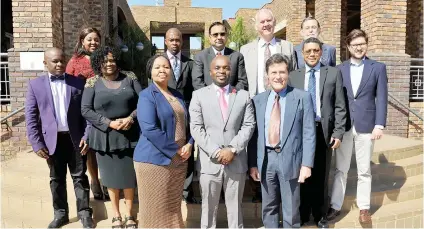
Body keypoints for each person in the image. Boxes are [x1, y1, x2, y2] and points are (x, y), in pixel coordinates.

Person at [25, 48, 94, 228]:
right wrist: (36, 142)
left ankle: (85, 213)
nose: (59, 64)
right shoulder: (35, 85)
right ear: (45, 63)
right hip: (51, 142)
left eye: (62, 61)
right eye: (55, 61)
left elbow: (86, 113)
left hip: (75, 139)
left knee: (80, 177)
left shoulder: (77, 83)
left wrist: (86, 136)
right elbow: (31, 117)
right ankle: (61, 214)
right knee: (56, 179)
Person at [327, 29, 388, 224]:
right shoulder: (339, 69)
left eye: (362, 44)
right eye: (355, 45)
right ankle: (335, 206)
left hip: (367, 125)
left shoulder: (377, 68)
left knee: (364, 170)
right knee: (340, 169)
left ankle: (364, 208)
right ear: (348, 47)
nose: (359, 48)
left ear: (366, 44)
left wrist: (379, 124)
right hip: (344, 126)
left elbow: (382, 99)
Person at [248, 53, 315, 228]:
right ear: (267, 76)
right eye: (274, 72)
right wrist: (253, 164)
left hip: (291, 160)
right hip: (266, 160)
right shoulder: (258, 100)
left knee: (291, 209)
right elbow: (254, 136)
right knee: (269, 207)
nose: (278, 76)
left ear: (288, 74)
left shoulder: (302, 97)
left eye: (282, 72)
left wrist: (306, 164)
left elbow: (309, 133)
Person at [189, 55, 255, 228]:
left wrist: (232, 149)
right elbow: (196, 128)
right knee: (209, 208)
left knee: (235, 208)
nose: (222, 71)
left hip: (236, 160)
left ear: (230, 71)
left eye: (225, 67)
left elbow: (249, 125)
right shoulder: (198, 96)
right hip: (210, 162)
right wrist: (217, 152)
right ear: (210, 72)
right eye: (217, 68)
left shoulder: (243, 96)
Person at [288, 37, 347, 227]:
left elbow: (340, 106)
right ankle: (303, 214)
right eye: (308, 51)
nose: (312, 54)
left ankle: (320, 216)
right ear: (302, 53)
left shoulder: (332, 73)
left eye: (315, 51)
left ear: (321, 52)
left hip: (324, 132)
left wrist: (338, 133)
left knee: (321, 176)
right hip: (301, 133)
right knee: (303, 174)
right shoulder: (293, 76)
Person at [81, 46, 141, 228]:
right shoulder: (92, 82)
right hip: (104, 137)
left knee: (129, 177)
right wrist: (108, 123)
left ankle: (129, 214)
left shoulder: (130, 78)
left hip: (129, 135)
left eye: (112, 60)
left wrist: (131, 118)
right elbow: (85, 109)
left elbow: (144, 101)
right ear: (98, 62)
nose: (109, 63)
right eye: (105, 60)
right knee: (111, 178)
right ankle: (116, 214)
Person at [134, 55, 193, 228]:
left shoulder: (177, 95)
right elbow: (149, 129)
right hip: (154, 161)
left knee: (173, 208)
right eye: (157, 67)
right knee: (154, 211)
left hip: (179, 159)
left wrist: (189, 143)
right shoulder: (146, 95)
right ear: (150, 72)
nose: (162, 70)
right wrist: (176, 148)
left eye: (166, 67)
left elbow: (186, 124)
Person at [65, 27, 106, 200]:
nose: (93, 43)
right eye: (89, 39)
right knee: (90, 148)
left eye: (96, 39)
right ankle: (95, 181)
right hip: (84, 109)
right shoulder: (75, 61)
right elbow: (67, 85)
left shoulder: (105, 59)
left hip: (104, 107)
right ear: (82, 41)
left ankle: (108, 181)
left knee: (104, 146)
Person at [164, 28, 199, 204]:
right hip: (166, 115)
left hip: (186, 115)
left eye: (178, 40)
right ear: (165, 41)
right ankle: (170, 191)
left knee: (187, 151)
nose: (175, 43)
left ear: (182, 42)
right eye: (171, 40)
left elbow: (194, 91)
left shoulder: (190, 64)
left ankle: (187, 192)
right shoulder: (158, 62)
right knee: (169, 150)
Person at [240, 8, 297, 99]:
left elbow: (294, 75)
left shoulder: (288, 47)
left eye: (269, 20)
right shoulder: (245, 50)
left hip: (283, 99)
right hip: (254, 100)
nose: (266, 24)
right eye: (262, 22)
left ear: (274, 22)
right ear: (256, 26)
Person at [192, 21, 248, 91]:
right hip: (208, 100)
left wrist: (230, 95)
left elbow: (242, 82)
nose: (219, 37)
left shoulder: (237, 56)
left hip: (231, 99)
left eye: (222, 34)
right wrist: (211, 97)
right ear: (210, 38)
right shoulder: (200, 57)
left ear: (226, 36)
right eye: (215, 35)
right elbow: (197, 82)